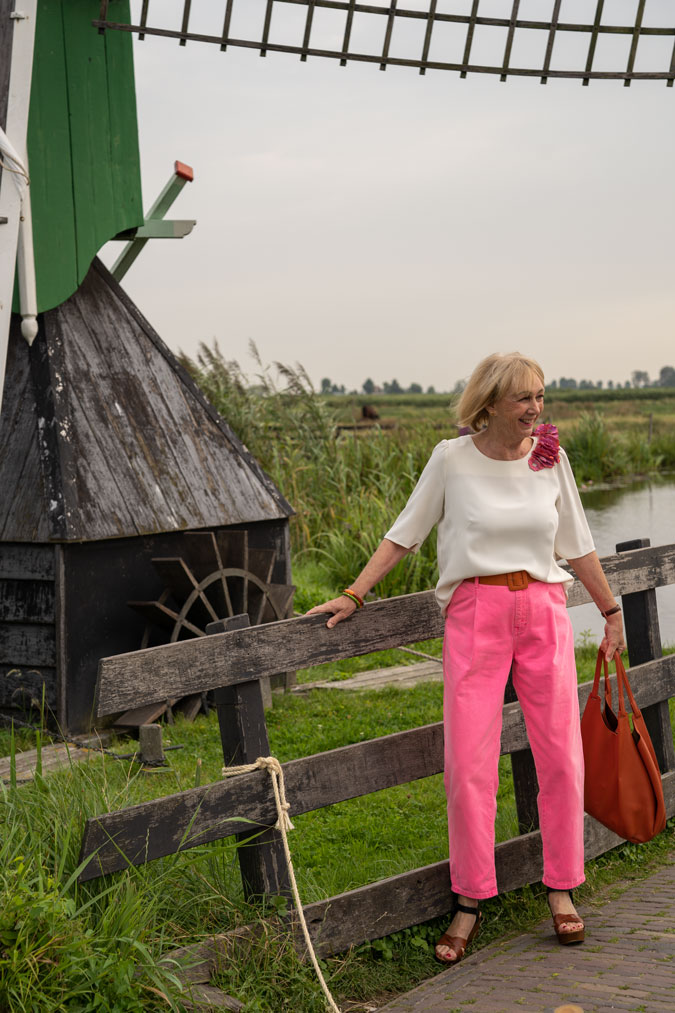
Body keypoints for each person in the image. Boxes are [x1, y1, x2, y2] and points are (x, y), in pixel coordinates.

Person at [307, 352, 625, 964]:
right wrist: (355, 592)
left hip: (543, 610)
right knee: (467, 763)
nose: (536, 409)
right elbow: (407, 531)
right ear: (490, 403)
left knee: (561, 754)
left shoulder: (550, 457)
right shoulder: (450, 460)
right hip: (476, 614)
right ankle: (470, 899)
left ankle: (561, 890)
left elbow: (577, 544)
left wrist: (610, 612)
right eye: (523, 399)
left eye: (540, 396)